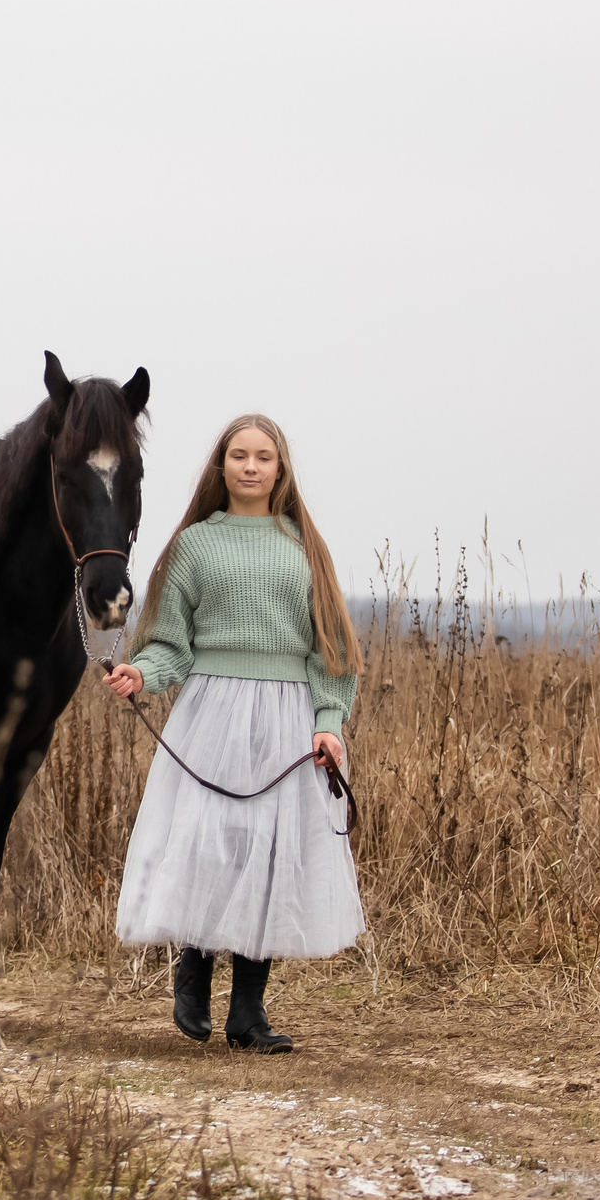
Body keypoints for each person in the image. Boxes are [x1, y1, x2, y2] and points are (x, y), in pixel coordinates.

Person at [101, 414, 364, 1052]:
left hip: (287, 718)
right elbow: (171, 645)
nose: (250, 467)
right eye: (239, 456)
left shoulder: (306, 546)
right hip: (210, 712)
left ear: (281, 469)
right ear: (221, 466)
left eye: (263, 457)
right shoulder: (193, 546)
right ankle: (192, 975)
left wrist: (328, 725)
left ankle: (248, 1014)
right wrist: (142, 674)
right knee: (208, 843)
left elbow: (331, 650)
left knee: (270, 854)